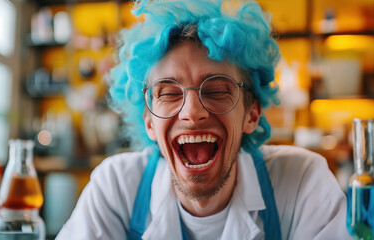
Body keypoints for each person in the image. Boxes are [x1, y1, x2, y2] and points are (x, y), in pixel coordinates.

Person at [57, 0, 353, 239]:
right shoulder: (117, 189)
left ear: (252, 114)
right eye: (169, 93)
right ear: (148, 121)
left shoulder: (301, 182)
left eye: (216, 89)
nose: (192, 112)